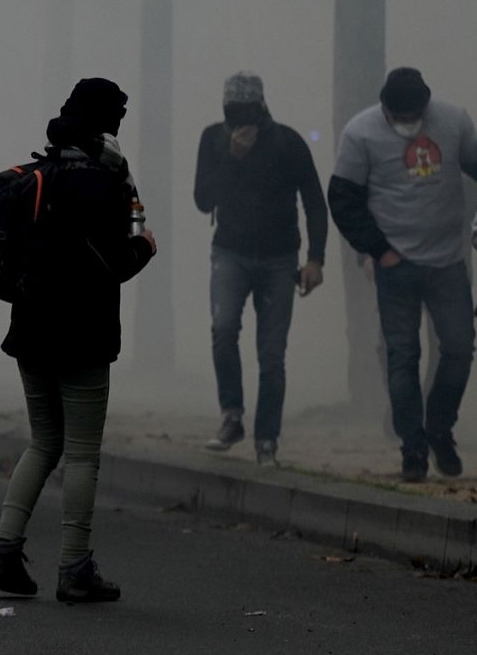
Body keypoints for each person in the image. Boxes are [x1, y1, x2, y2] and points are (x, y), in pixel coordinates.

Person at [0, 78, 155, 604]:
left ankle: (4, 549)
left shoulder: (41, 175)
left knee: (43, 442)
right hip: (82, 334)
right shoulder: (102, 185)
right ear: (107, 125)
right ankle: (75, 566)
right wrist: (144, 247)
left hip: (30, 330)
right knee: (81, 453)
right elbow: (116, 261)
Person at [329, 67, 477, 482]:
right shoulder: (361, 134)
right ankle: (412, 448)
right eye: (399, 116)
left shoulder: (454, 122)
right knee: (402, 356)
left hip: (448, 261)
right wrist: (376, 251)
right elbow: (342, 199)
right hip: (396, 265)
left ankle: (439, 427)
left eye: (415, 114)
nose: (408, 124)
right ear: (385, 109)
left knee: (460, 348)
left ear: (426, 105)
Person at [192, 72, 327, 465]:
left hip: (279, 257)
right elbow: (203, 199)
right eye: (234, 111)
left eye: (248, 111)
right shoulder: (213, 138)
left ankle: (267, 438)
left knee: (271, 353)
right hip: (230, 250)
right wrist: (231, 159)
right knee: (223, 328)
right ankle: (231, 415)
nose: (241, 119)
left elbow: (315, 202)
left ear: (262, 107)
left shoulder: (286, 141)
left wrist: (315, 259)